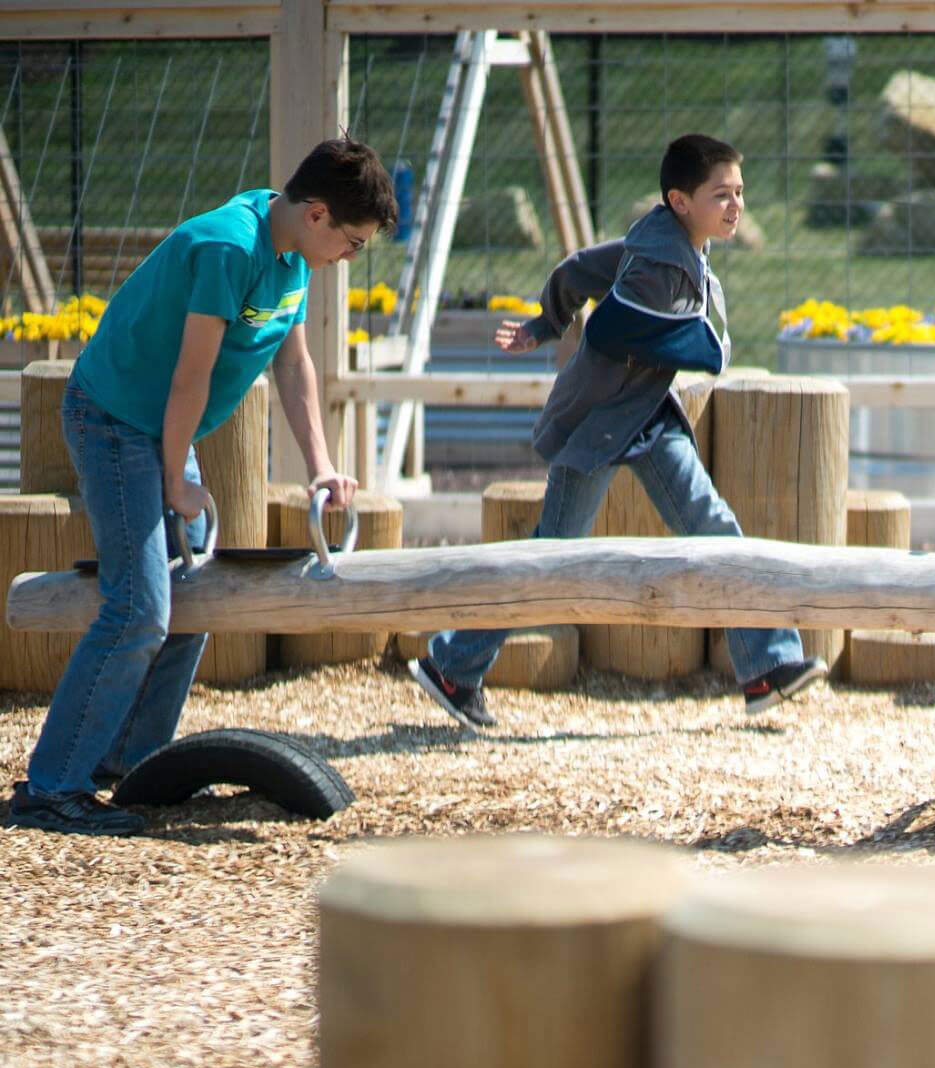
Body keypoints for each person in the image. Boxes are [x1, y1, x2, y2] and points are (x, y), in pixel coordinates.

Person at [6, 137, 396, 837]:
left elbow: (293, 367)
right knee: (140, 609)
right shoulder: (227, 248)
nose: (351, 257)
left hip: (160, 430)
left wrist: (321, 465)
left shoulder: (291, 260)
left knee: (196, 598)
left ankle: (128, 764)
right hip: (117, 420)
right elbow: (190, 376)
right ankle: (50, 788)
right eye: (354, 243)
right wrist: (174, 478)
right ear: (316, 215)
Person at [406, 133, 826, 730]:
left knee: (714, 528)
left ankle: (767, 668)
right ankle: (452, 667)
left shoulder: (660, 241)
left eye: (739, 193)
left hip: (646, 417)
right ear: (681, 201)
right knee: (553, 557)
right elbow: (616, 330)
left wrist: (544, 324)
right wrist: (705, 349)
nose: (735, 207)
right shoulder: (660, 261)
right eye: (721, 195)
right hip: (600, 424)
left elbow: (578, 269)